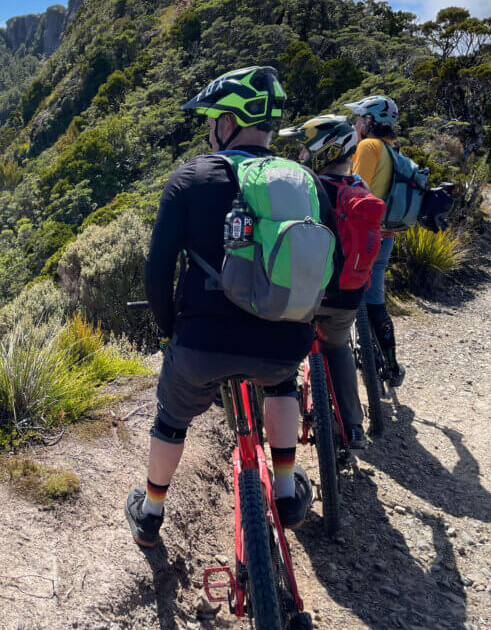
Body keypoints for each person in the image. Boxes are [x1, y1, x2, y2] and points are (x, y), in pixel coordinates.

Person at [124, 66, 335, 548]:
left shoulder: (190, 177)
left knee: (171, 417)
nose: (211, 127)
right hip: (283, 341)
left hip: (201, 344)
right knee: (282, 379)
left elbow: (157, 270)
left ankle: (151, 510)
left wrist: (168, 331)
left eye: (215, 119)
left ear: (227, 123)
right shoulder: (305, 182)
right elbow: (330, 263)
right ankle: (285, 489)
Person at [279, 116, 371, 450]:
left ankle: (282, 419)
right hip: (349, 294)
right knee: (337, 348)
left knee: (285, 349)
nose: (301, 154)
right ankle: (354, 426)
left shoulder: (305, 190)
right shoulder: (361, 189)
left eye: (305, 147)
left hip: (307, 294)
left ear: (322, 150)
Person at [347, 95, 406, 387]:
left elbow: (355, 189)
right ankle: (392, 365)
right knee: (376, 301)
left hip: (362, 235)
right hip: (385, 237)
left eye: (358, 118)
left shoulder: (368, 146)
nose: (355, 123)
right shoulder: (391, 150)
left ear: (369, 122)